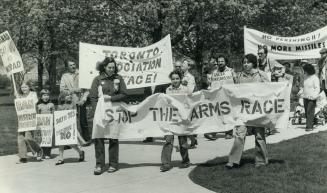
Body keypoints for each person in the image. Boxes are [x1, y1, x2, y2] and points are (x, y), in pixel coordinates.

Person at [226, 53, 270, 169]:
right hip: (244, 111)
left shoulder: (261, 75)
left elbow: (270, 89)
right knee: (240, 134)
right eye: (244, 62)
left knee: (260, 136)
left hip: (258, 110)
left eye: (248, 62)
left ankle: (261, 161)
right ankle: (233, 160)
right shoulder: (239, 76)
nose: (245, 64)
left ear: (253, 63)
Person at [89, 57, 127, 175]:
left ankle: (113, 164)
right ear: (104, 67)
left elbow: (124, 94)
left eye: (113, 67)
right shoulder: (97, 79)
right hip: (100, 112)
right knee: (99, 138)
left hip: (114, 112)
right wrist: (97, 111)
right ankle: (99, 164)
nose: (111, 69)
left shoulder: (118, 78)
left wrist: (111, 98)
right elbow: (93, 97)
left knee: (113, 137)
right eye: (109, 67)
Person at [160, 70, 192, 172]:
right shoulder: (167, 90)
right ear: (171, 80)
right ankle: (166, 163)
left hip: (182, 119)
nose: (175, 80)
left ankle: (185, 160)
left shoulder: (186, 89)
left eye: (177, 78)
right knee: (168, 140)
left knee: (182, 141)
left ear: (180, 79)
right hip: (171, 119)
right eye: (173, 79)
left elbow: (190, 102)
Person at [60, 60, 90, 144]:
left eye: (74, 64)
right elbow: (62, 90)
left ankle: (86, 139)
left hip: (81, 100)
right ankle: (69, 142)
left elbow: (87, 90)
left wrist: (83, 99)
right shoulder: (64, 76)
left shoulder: (81, 74)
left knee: (82, 120)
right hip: (70, 101)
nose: (73, 66)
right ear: (67, 67)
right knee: (70, 121)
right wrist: (74, 90)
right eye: (70, 65)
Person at [205, 55, 235, 140]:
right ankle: (213, 133)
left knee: (228, 115)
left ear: (225, 62)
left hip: (228, 97)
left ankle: (229, 132)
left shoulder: (231, 71)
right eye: (218, 61)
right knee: (216, 115)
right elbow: (211, 84)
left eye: (222, 61)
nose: (220, 63)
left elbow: (235, 82)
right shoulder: (214, 73)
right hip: (217, 97)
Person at [55, 92, 85, 165]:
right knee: (61, 143)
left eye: (69, 95)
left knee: (72, 143)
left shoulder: (73, 105)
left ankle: (81, 152)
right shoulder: (59, 106)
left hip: (70, 126)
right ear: (62, 97)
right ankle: (60, 158)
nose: (69, 96)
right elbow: (58, 116)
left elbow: (75, 114)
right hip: (62, 126)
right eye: (66, 95)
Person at [17, 82, 43, 163]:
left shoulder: (33, 94)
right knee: (21, 138)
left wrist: (21, 99)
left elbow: (33, 102)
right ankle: (23, 157)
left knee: (28, 137)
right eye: (22, 87)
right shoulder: (20, 96)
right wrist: (17, 98)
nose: (23, 89)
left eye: (25, 87)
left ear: (29, 87)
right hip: (22, 119)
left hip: (31, 118)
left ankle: (38, 150)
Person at [298, 63, 320, 131]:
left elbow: (317, 88)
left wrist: (314, 96)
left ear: (309, 70)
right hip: (305, 97)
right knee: (307, 112)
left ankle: (309, 126)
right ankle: (312, 122)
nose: (304, 71)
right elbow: (304, 87)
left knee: (310, 111)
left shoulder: (315, 78)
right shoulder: (305, 77)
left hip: (312, 97)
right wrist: (301, 92)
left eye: (305, 70)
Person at [36, 89, 55, 159]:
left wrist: (53, 123)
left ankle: (47, 153)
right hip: (41, 125)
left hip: (49, 125)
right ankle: (42, 152)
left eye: (47, 95)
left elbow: (53, 114)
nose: (46, 97)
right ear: (41, 97)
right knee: (41, 139)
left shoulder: (51, 105)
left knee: (48, 138)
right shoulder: (39, 105)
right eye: (44, 95)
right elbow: (37, 115)